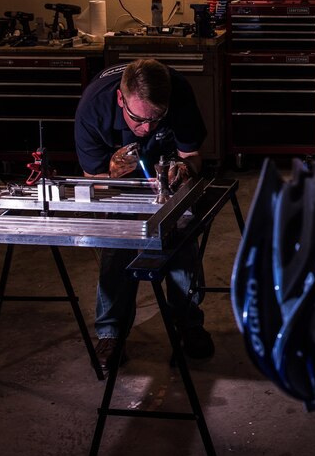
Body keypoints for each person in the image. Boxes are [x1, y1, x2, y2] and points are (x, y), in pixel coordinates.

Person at [74, 58, 215, 370]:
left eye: (157, 119)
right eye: (139, 120)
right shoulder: (93, 109)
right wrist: (110, 173)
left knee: (180, 235)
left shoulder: (179, 92)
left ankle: (189, 324)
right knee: (116, 244)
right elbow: (90, 178)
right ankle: (111, 333)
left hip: (164, 171)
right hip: (117, 178)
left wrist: (185, 169)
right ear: (120, 100)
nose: (147, 128)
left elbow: (193, 156)